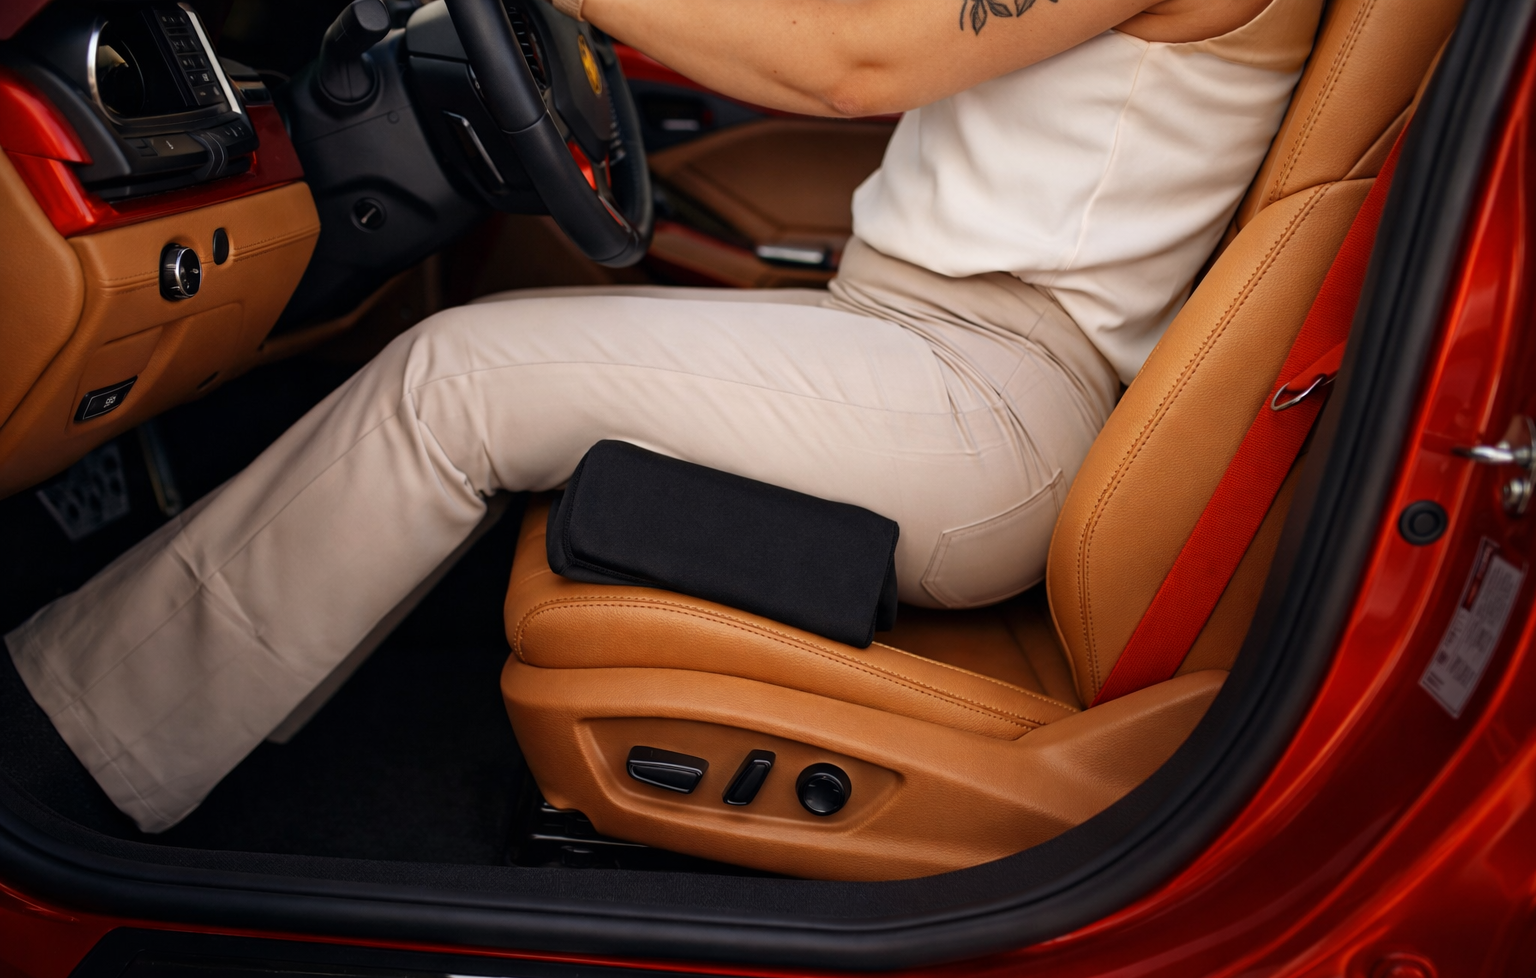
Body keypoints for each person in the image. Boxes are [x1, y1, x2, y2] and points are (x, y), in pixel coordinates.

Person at [6, 0, 1323, 832]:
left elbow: (852, 58)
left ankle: (66, 753)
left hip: (991, 403)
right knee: (470, 366)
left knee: (453, 378)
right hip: (935, 357)